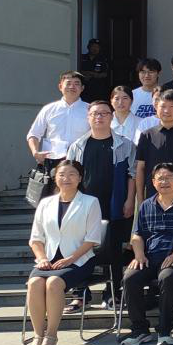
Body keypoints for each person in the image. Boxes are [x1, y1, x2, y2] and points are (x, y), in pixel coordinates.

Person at [120, 163, 173, 345]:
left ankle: (164, 330)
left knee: (167, 277)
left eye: (169, 178)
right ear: (153, 182)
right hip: (151, 256)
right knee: (129, 278)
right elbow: (137, 235)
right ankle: (140, 330)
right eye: (160, 178)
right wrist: (139, 254)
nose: (164, 182)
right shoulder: (146, 205)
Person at [25, 160, 104, 345]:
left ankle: (51, 335)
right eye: (61, 174)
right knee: (34, 283)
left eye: (71, 174)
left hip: (79, 259)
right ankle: (38, 335)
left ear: (80, 178)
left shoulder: (90, 202)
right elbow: (36, 238)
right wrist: (42, 258)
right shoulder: (45, 203)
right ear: (55, 178)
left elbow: (92, 239)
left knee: (53, 283)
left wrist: (70, 259)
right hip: (49, 260)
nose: (66, 178)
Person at [66, 101, 135, 309]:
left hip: (114, 205)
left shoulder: (125, 144)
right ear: (88, 117)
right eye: (95, 114)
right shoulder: (78, 145)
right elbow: (68, 177)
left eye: (104, 113)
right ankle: (80, 294)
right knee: (80, 249)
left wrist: (130, 200)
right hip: (84, 207)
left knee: (114, 250)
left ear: (111, 117)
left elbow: (132, 175)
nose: (99, 117)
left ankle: (113, 293)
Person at [26, 71, 89, 173]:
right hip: (53, 160)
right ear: (60, 87)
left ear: (82, 88)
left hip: (82, 159)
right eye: (68, 83)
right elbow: (34, 134)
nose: (72, 87)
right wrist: (35, 152)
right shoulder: (49, 109)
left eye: (76, 83)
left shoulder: (90, 110)